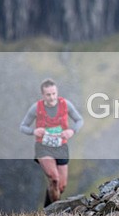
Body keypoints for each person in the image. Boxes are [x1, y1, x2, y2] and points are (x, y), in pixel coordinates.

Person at [20, 79, 84, 207]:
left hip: (61, 147)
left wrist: (72, 131)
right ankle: (56, 214)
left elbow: (79, 120)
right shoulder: (36, 108)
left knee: (61, 185)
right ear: (43, 95)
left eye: (54, 93)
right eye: (48, 94)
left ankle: (48, 209)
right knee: (54, 178)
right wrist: (34, 131)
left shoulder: (66, 104)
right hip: (43, 147)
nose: (52, 97)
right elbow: (23, 126)